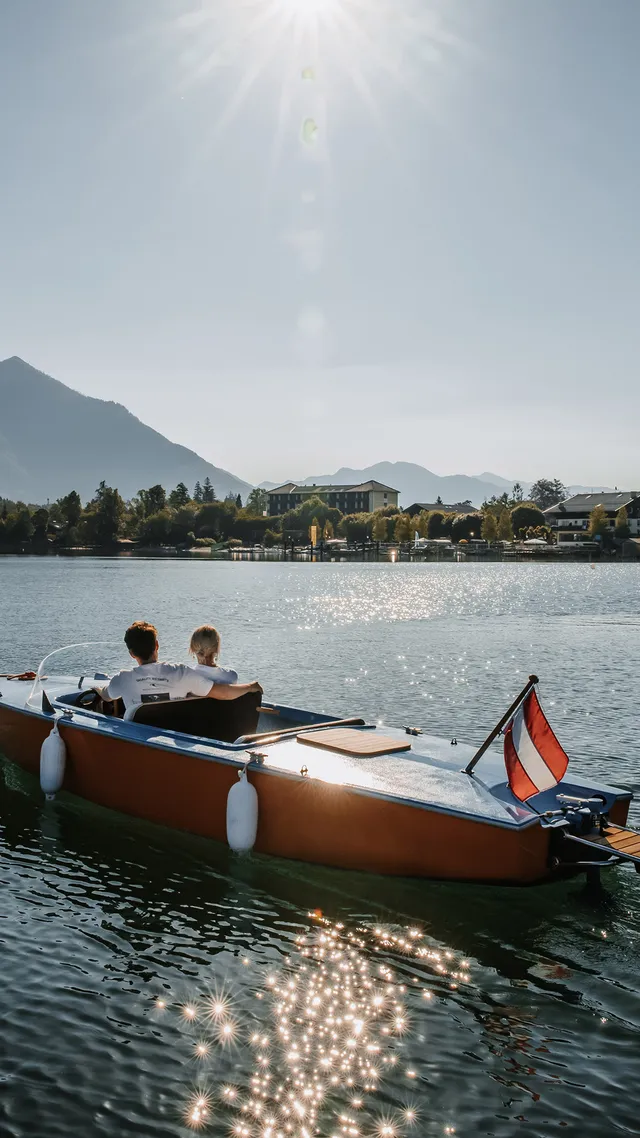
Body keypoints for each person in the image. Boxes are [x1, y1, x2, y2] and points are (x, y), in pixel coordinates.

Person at [97, 621, 261, 720]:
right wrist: (250, 687)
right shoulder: (182, 674)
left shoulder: (122, 679)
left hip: (135, 739)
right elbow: (223, 693)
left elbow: (106, 695)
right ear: (157, 646)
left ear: (132, 654)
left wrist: (97, 689)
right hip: (172, 733)